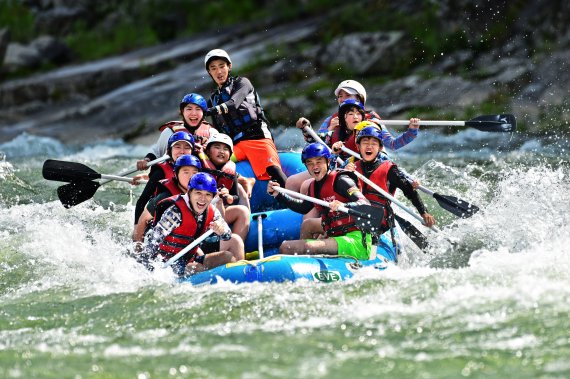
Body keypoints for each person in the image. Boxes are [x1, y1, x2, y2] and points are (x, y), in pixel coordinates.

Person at [286, 79, 420, 192]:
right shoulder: (331, 121)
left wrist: (412, 131)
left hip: (363, 169)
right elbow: (315, 146)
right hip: (334, 165)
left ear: (359, 99)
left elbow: (393, 144)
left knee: (307, 186)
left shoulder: (372, 122)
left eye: (347, 95)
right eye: (340, 96)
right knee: (292, 182)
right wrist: (320, 128)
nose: (342, 99)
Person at [267, 142, 374, 260]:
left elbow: (364, 203)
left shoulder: (342, 180)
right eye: (310, 163)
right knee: (308, 225)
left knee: (286, 247)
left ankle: (304, 254)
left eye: (319, 162)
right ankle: (307, 263)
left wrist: (344, 205)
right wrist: (279, 195)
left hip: (355, 240)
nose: (315, 167)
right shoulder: (314, 186)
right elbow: (303, 207)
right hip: (337, 232)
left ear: (328, 162)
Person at [204, 48, 287, 187]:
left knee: (274, 171)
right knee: (208, 163)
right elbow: (216, 130)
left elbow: (233, 104)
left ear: (229, 66)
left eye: (221, 66)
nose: (218, 71)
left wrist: (208, 111)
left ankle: (299, 202)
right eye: (213, 68)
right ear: (209, 72)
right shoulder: (213, 99)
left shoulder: (243, 83)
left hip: (257, 137)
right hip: (235, 146)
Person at [141, 172, 245, 277]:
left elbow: (227, 236)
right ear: (189, 192)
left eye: (208, 194)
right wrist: (150, 270)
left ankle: (239, 278)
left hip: (189, 259)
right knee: (197, 268)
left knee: (227, 257)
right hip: (166, 263)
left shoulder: (212, 211)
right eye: (198, 193)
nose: (203, 199)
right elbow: (152, 242)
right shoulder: (175, 213)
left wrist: (221, 230)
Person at [347, 126, 435, 236]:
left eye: (374, 143)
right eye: (365, 142)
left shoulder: (390, 170)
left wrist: (424, 212)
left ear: (379, 148)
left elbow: (409, 191)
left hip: (379, 223)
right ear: (358, 146)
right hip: (354, 220)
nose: (369, 146)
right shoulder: (351, 168)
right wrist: (346, 174)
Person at [132, 154, 202, 242]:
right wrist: (138, 247)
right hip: (160, 242)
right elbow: (143, 219)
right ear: (176, 174)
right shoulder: (165, 196)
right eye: (186, 172)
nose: (191, 176)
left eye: (195, 173)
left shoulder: (203, 195)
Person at [136, 93, 214, 170]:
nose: (193, 113)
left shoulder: (212, 133)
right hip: (174, 177)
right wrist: (146, 160)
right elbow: (157, 152)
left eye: (198, 109)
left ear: (203, 113)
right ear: (182, 112)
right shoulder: (169, 132)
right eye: (189, 109)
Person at [133, 131, 194, 226]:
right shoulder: (160, 172)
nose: (182, 151)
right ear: (170, 150)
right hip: (161, 222)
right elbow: (142, 202)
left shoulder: (198, 171)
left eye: (187, 148)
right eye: (177, 147)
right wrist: (136, 228)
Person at [201, 133, 250, 241]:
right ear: (208, 151)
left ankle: (236, 246)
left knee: (242, 211)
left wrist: (230, 197)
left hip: (219, 210)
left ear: (230, 154)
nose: (221, 151)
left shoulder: (230, 173)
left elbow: (235, 197)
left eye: (225, 149)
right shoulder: (200, 168)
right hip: (200, 211)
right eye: (217, 147)